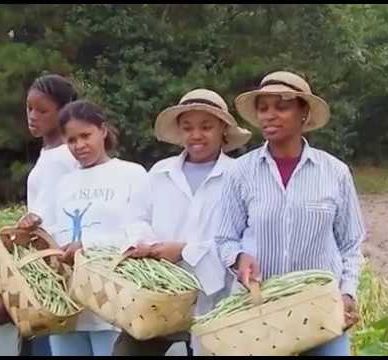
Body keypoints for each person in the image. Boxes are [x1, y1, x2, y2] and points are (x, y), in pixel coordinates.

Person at [215, 71, 366, 356]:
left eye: (281, 107)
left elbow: (351, 244)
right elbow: (225, 237)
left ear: (303, 113)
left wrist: (347, 292)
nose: (269, 116)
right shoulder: (241, 172)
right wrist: (239, 258)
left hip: (321, 310)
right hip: (261, 310)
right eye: (263, 108)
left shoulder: (334, 172)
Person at [111, 89, 252, 356]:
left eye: (206, 127)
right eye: (187, 128)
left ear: (223, 129)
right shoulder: (160, 173)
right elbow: (136, 218)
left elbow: (244, 236)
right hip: (158, 292)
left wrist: (185, 250)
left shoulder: (239, 175)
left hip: (216, 293)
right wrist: (149, 247)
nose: (196, 135)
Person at [28, 99, 149, 356]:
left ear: (103, 131)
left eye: (86, 135)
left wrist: (90, 246)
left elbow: (141, 235)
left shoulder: (131, 174)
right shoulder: (63, 184)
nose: (80, 145)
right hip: (69, 306)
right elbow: (48, 234)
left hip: (113, 302)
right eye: (71, 140)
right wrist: (31, 228)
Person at [0, 74, 79, 356]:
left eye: (42, 110)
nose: (32, 116)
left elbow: (55, 218)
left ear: (63, 111)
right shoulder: (49, 154)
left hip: (52, 269)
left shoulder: (68, 156)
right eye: (29, 108)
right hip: (40, 269)